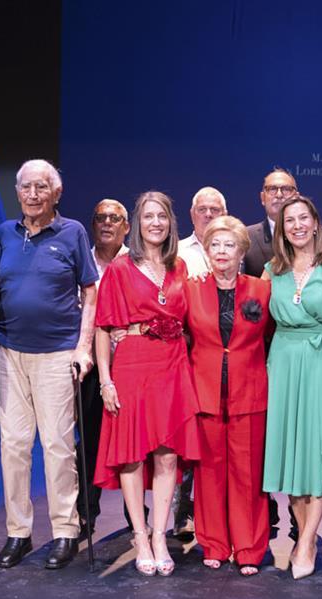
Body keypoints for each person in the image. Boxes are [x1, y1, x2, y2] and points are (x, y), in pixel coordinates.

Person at [0, 159, 97, 571]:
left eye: (42, 187)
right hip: (9, 353)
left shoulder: (72, 233)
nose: (33, 195)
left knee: (56, 446)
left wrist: (83, 346)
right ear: (18, 193)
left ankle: (66, 531)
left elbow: (90, 290)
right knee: (13, 446)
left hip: (56, 354)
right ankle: (18, 532)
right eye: (27, 187)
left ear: (56, 193)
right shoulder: (1, 234)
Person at [94, 191, 203, 576]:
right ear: (136, 225)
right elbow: (104, 329)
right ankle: (139, 535)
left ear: (171, 222)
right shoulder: (120, 269)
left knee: (168, 454)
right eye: (147, 217)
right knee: (132, 453)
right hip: (132, 365)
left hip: (173, 365)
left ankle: (160, 535)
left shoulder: (181, 268)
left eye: (162, 216)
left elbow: (194, 320)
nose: (155, 223)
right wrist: (106, 380)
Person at [261, 195, 322, 579]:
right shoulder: (272, 270)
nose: (298, 225)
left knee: (318, 454)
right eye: (290, 221)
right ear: (281, 229)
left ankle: (305, 542)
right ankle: (306, 534)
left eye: (304, 218)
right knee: (291, 455)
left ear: (316, 222)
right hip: (283, 364)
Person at [184, 216, 273, 576]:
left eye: (229, 245)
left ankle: (249, 548)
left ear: (241, 252)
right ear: (205, 252)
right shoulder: (190, 288)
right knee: (209, 474)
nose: (221, 252)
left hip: (249, 392)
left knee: (247, 474)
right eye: (215, 245)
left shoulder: (262, 290)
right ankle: (215, 544)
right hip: (204, 393)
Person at [171, 186, 229, 539]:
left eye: (215, 209)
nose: (208, 214)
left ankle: (223, 513)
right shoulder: (177, 253)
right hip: (187, 353)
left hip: (227, 354)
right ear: (192, 214)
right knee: (189, 438)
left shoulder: (236, 244)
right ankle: (183, 513)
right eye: (202, 209)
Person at [76, 198, 130, 536]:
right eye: (100, 218)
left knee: (133, 442)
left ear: (126, 226)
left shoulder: (137, 262)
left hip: (129, 364)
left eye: (114, 218)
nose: (107, 223)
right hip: (90, 365)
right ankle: (86, 511)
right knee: (90, 440)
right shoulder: (80, 261)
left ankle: (135, 510)